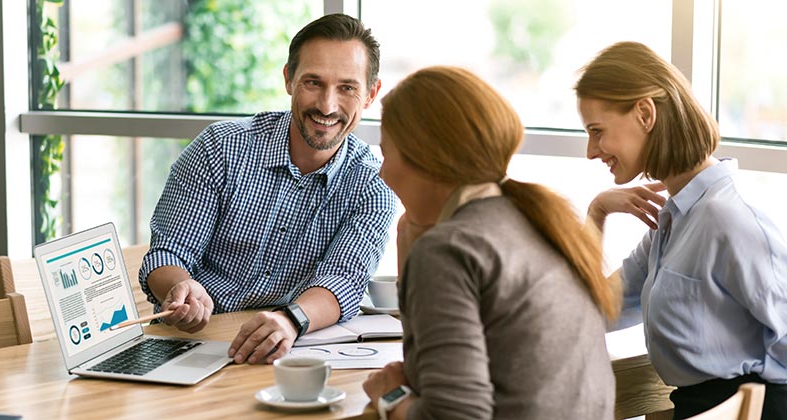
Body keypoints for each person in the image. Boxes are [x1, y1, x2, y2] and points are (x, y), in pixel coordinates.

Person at [362, 66, 618, 420]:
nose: (382, 172)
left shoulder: (449, 249)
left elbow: (454, 416)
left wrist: (389, 397)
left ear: (425, 157)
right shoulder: (540, 221)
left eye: (386, 152)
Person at [139, 13, 396, 364]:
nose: (327, 105)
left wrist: (290, 321)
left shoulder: (374, 184)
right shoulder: (220, 148)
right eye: (313, 82)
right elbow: (168, 254)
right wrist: (181, 289)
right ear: (289, 79)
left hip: (280, 347)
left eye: (347, 88)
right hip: (190, 342)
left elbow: (343, 282)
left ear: (371, 94)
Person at [576, 41, 787, 419]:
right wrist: (597, 212)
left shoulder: (729, 221)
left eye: (597, 131)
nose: (591, 151)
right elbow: (588, 311)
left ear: (644, 114)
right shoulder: (673, 220)